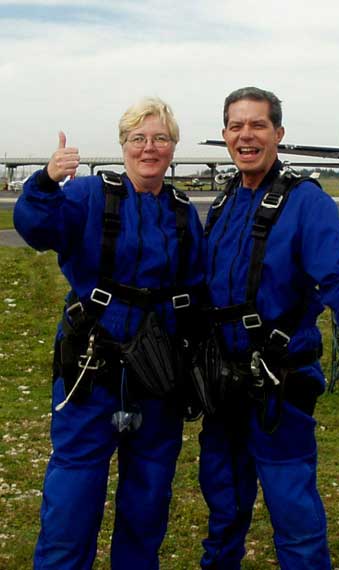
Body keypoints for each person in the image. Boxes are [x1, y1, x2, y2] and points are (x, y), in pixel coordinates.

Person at [198, 86, 339, 569]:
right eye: (236, 126)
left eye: (258, 125)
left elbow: (335, 274)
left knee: (295, 517)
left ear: (278, 134)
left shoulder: (308, 203)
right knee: (222, 510)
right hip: (221, 389)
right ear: (224, 136)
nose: (247, 135)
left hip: (277, 389)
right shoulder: (221, 208)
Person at [13, 97, 204, 569]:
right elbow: (36, 229)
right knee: (73, 499)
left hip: (158, 376)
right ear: (123, 145)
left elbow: (200, 287)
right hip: (91, 372)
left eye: (160, 138)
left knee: (148, 499)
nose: (149, 148)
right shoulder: (88, 196)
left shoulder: (183, 213)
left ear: (173, 147)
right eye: (138, 138)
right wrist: (45, 182)